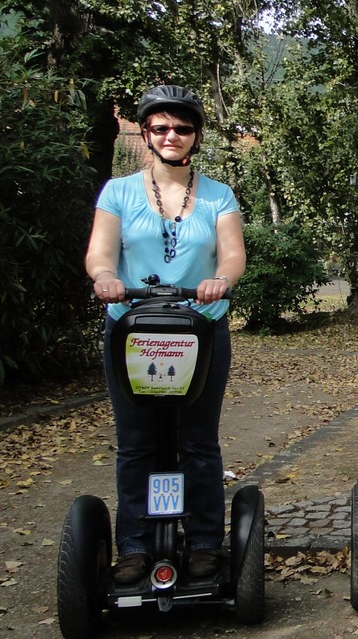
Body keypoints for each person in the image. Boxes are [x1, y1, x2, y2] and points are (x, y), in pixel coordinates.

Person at [85, 85, 245, 584]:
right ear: (147, 134)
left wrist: (222, 278)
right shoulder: (118, 191)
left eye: (182, 128)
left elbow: (233, 253)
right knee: (136, 442)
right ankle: (133, 544)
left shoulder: (218, 193)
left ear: (195, 135)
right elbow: (100, 251)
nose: (171, 135)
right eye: (160, 128)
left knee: (198, 440)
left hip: (201, 328)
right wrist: (105, 278)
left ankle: (202, 541)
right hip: (132, 329)